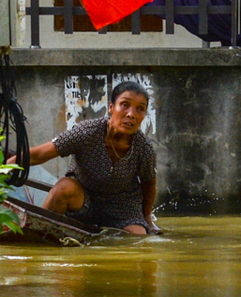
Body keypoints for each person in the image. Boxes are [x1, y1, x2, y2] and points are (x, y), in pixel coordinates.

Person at [22, 81, 161, 235]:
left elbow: (149, 185)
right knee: (64, 187)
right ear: (111, 107)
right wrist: (2, 168)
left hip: (123, 209)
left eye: (140, 109)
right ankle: (36, 235)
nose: (131, 114)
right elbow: (40, 154)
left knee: (138, 236)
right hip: (83, 200)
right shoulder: (87, 132)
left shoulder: (144, 148)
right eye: (124, 105)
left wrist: (147, 219)